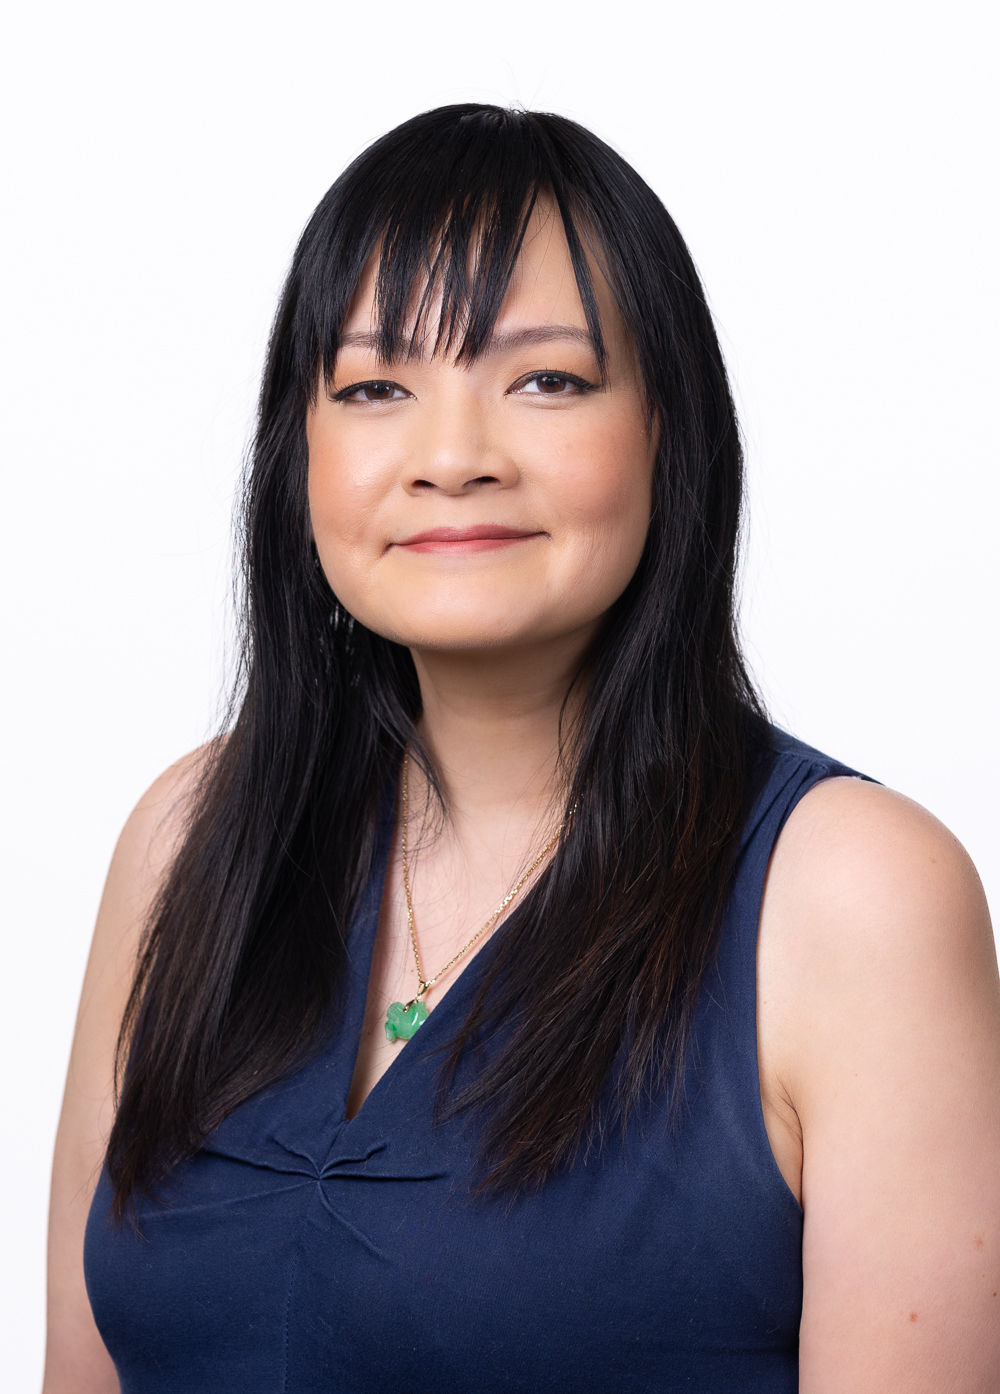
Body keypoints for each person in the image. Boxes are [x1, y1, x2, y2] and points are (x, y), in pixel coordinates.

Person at [45, 105, 1000, 1393]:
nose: (453, 458)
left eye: (546, 380)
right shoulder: (191, 835)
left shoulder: (852, 892)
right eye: (375, 387)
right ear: (299, 451)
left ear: (670, 428)